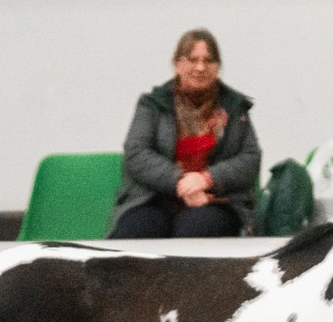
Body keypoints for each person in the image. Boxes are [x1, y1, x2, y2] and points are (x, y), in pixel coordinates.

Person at [108, 29, 261, 238]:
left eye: (208, 60)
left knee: (197, 229)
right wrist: (180, 181)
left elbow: (250, 159)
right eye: (192, 60)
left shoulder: (235, 107)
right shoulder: (152, 104)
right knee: (137, 230)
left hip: (213, 201)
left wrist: (207, 179)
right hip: (153, 199)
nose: (200, 67)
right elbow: (136, 153)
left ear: (218, 66)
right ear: (177, 64)